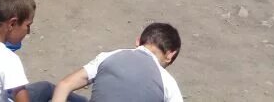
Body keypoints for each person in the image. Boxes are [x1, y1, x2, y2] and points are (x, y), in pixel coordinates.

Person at [35, 22, 182, 102]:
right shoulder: (168, 83)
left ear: (138, 41)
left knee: (47, 88)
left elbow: (65, 85)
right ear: (170, 55)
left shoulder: (111, 55)